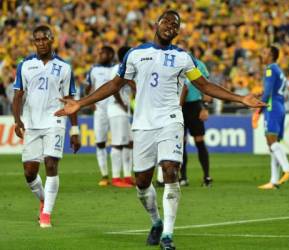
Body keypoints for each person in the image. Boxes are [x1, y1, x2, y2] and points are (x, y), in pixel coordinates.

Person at [55, 10, 266, 250]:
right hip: (143, 124)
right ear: (157, 24)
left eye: (175, 24)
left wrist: (241, 99)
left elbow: (204, 85)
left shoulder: (183, 58)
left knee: (170, 170)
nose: (170, 26)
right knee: (142, 182)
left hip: (171, 120)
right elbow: (115, 84)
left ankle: (167, 234)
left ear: (178, 31)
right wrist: (81, 103)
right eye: (166, 21)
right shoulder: (136, 54)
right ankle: (156, 221)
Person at [12, 25, 81, 228]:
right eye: (37, 40)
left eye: (44, 39)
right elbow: (18, 95)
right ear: (34, 42)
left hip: (55, 120)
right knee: (29, 172)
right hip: (32, 123)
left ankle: (46, 216)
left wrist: (75, 130)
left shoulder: (65, 67)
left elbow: (70, 100)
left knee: (51, 164)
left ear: (52, 40)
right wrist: (17, 120)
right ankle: (44, 200)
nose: (41, 43)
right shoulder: (24, 65)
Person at [253, 45, 289, 190]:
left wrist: (258, 110)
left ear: (271, 55)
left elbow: (268, 93)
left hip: (272, 107)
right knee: (273, 144)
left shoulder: (270, 69)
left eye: (264, 52)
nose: (262, 55)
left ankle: (288, 169)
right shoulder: (278, 69)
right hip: (280, 106)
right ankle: (274, 180)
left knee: (271, 141)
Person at [85, 46, 116, 187]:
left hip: (116, 109)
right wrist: (90, 99)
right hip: (100, 110)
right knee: (100, 143)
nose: (99, 54)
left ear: (110, 54)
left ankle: (120, 175)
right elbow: (88, 86)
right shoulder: (94, 69)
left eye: (102, 52)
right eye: (99, 52)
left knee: (120, 144)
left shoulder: (117, 68)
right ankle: (104, 175)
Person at [180, 58, 212, 187]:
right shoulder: (172, 63)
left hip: (195, 106)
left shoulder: (198, 65)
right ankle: (183, 177)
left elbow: (206, 86)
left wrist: (204, 107)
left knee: (199, 141)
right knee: (180, 144)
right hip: (179, 107)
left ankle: (207, 176)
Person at [107, 46, 135, 187]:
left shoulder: (127, 69)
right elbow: (114, 88)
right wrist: (121, 104)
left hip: (124, 111)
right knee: (118, 144)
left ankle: (128, 175)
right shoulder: (116, 69)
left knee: (129, 142)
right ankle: (116, 178)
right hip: (117, 110)